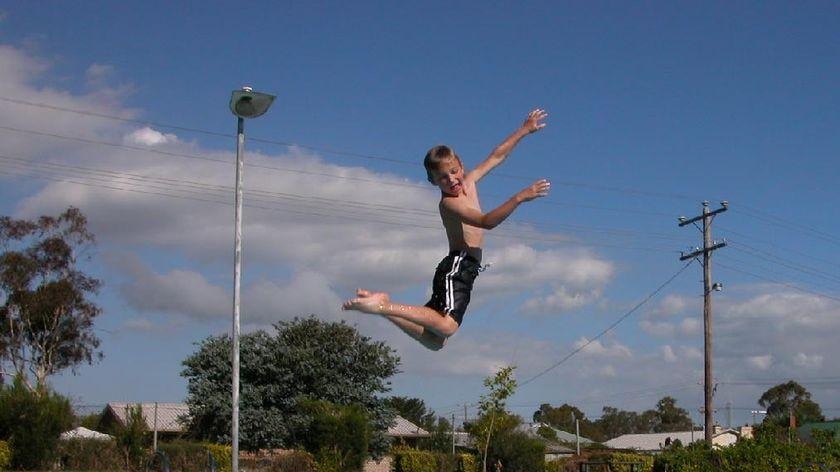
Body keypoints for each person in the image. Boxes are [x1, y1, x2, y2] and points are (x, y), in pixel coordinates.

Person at [342, 109, 551, 350]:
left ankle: (385, 307)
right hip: (458, 265)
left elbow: (496, 156)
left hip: (465, 267)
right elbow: (486, 222)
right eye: (442, 178)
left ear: (461, 166)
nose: (451, 180)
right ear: (433, 182)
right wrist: (519, 197)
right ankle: (382, 305)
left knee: (435, 341)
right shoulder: (449, 203)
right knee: (448, 326)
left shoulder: (469, 181)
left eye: (453, 172)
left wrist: (524, 130)